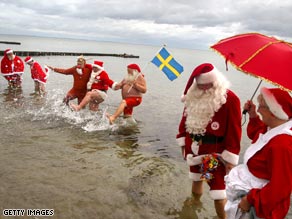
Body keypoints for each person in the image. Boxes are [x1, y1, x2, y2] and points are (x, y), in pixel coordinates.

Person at [176, 63, 242, 219]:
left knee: (217, 192)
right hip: (193, 147)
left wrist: (231, 156)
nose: (205, 88)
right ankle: (195, 205)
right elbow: (184, 120)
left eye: (208, 85)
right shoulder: (192, 95)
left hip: (212, 154)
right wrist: (183, 143)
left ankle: (223, 217)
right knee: (197, 179)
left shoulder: (229, 99)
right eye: (201, 85)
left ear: (216, 81)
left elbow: (235, 130)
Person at [225, 87, 292, 219]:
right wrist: (253, 115)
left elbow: (280, 187)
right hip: (253, 193)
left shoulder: (282, 145)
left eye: (261, 106)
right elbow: (258, 135)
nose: (259, 109)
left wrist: (250, 200)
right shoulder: (273, 127)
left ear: (273, 112)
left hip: (263, 205)